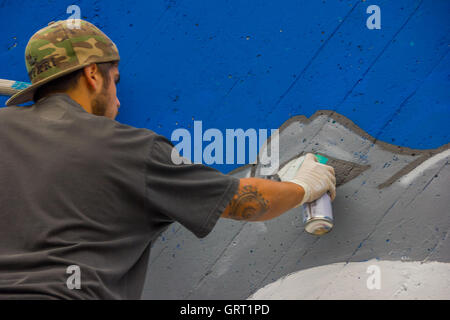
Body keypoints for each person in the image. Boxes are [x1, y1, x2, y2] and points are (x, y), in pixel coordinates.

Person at [0, 19, 336, 299]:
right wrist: (303, 185)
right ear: (92, 75)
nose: (117, 104)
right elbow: (243, 202)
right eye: (114, 82)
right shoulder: (129, 148)